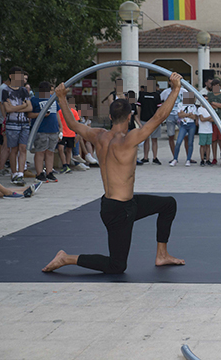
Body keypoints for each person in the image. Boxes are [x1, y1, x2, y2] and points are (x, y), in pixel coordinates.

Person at [42, 73, 185, 274]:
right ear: (129, 116)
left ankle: (162, 254)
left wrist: (62, 98)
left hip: (121, 205)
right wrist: (176, 89)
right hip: (119, 212)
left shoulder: (98, 136)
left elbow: (73, 125)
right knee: (117, 266)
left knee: (168, 204)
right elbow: (159, 117)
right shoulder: (129, 140)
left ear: (110, 117)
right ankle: (67, 258)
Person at [2, 67, 32, 185]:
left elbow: (29, 107)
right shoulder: (5, 91)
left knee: (23, 148)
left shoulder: (24, 90)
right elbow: (7, 109)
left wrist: (16, 108)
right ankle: (14, 173)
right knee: (13, 149)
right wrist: (22, 106)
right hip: (12, 124)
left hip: (24, 123)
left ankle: (20, 173)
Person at [28, 82, 59, 183]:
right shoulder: (34, 99)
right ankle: (39, 173)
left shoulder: (53, 98)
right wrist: (41, 114)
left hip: (53, 129)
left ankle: (49, 171)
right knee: (40, 151)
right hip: (41, 129)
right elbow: (29, 114)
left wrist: (60, 126)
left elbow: (57, 113)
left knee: (50, 151)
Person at [138, 77, 163, 165]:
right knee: (145, 139)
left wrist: (159, 119)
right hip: (144, 119)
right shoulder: (142, 94)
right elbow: (139, 107)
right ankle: (145, 157)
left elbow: (159, 109)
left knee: (154, 139)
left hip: (154, 120)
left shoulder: (157, 94)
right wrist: (139, 119)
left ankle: (155, 157)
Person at [160, 82, 187, 161]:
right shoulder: (165, 92)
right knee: (171, 136)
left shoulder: (184, 91)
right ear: (169, 82)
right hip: (170, 115)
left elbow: (190, 104)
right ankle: (175, 157)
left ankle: (189, 157)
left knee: (186, 136)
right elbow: (159, 102)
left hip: (181, 116)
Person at [171, 94, 198, 167]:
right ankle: (175, 159)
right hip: (183, 124)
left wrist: (185, 114)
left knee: (190, 142)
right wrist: (188, 114)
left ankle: (188, 159)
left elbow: (194, 117)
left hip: (191, 125)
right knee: (178, 141)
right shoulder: (180, 104)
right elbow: (180, 115)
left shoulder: (193, 106)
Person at [206, 79, 221, 164]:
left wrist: (214, 104)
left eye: (217, 86)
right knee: (213, 140)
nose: (216, 87)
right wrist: (214, 105)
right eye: (214, 86)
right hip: (212, 121)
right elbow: (208, 105)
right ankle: (214, 158)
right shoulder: (209, 94)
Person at [0, 75, 11, 176]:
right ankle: (1, 164)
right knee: (3, 143)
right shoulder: (3, 89)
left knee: (5, 143)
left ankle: (4, 162)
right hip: (2, 121)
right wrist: (5, 120)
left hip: (4, 120)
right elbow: (2, 105)